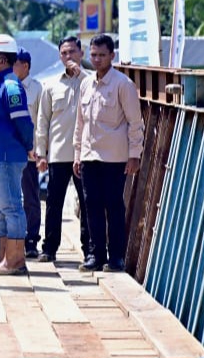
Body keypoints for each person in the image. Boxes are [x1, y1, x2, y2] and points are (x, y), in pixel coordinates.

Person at [74, 34, 144, 273]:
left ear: (112, 56)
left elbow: (135, 123)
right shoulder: (86, 84)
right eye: (93, 55)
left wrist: (134, 155)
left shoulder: (123, 85)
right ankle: (96, 255)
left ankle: (116, 258)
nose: (97, 59)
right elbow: (80, 123)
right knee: (91, 206)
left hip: (114, 158)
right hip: (89, 156)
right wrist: (77, 154)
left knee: (113, 207)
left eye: (102, 55)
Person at [0, 35, 34, 276]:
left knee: (11, 207)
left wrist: (29, 145)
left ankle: (15, 260)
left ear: (2, 60)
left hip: (6, 156)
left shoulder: (11, 86)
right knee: (1, 209)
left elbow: (23, 121)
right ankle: (5, 257)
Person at [35, 36, 91, 262]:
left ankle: (90, 250)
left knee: (87, 203)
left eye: (72, 52)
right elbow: (43, 121)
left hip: (86, 154)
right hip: (58, 154)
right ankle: (49, 248)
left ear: (81, 53)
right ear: (59, 56)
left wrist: (81, 74)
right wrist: (41, 153)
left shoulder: (91, 81)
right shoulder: (50, 85)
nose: (69, 56)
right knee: (53, 202)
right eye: (64, 53)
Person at [14, 47, 43, 259]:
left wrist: (40, 151)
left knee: (31, 199)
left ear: (25, 66)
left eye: (15, 64)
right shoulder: (6, 87)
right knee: (8, 199)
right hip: (8, 153)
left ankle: (31, 240)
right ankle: (9, 239)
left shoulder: (37, 88)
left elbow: (41, 122)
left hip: (29, 154)